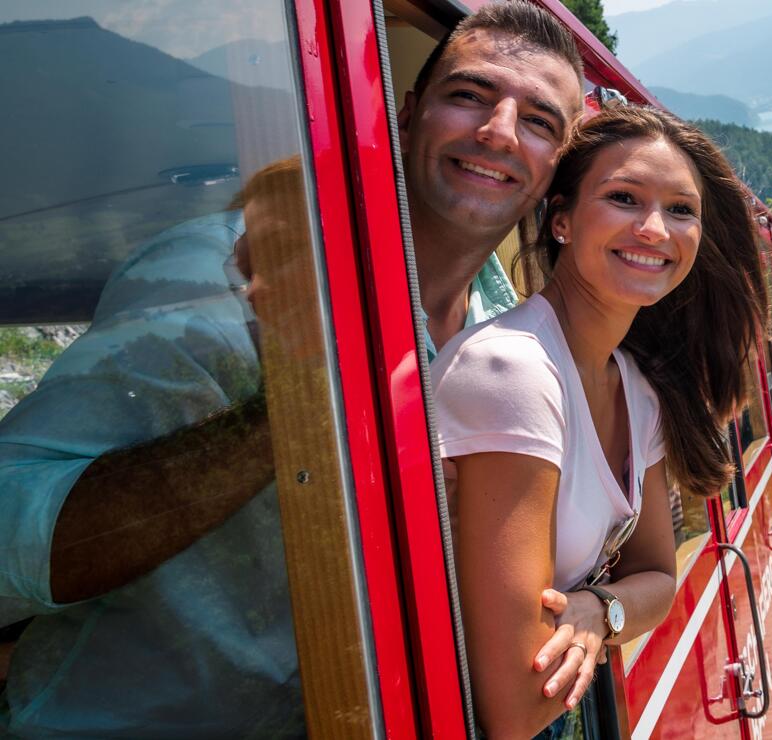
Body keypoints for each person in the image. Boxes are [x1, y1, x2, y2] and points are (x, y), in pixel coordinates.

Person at [0, 1, 586, 735]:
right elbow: (9, 539)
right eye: (469, 96)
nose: (499, 133)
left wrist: (597, 608)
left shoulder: (506, 332)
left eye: (539, 121)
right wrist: (307, 393)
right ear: (405, 114)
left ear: (555, 166)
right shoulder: (219, 273)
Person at [430, 105, 769, 738]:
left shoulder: (636, 389)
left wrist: (596, 608)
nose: (654, 229)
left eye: (680, 209)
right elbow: (514, 707)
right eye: (623, 198)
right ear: (560, 218)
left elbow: (660, 580)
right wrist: (615, 610)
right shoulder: (513, 371)